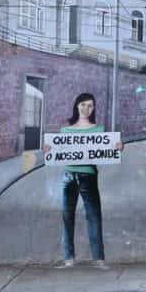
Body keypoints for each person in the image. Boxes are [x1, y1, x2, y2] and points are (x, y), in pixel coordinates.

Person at [44, 92, 125, 269]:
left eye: (89, 105)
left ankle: (99, 259)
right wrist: (49, 149)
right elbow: (58, 151)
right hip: (68, 176)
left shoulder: (99, 130)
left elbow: (108, 148)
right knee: (67, 217)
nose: (86, 108)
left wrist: (118, 146)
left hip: (89, 175)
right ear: (77, 106)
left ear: (93, 108)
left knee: (94, 217)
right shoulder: (65, 130)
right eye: (82, 104)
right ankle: (68, 258)